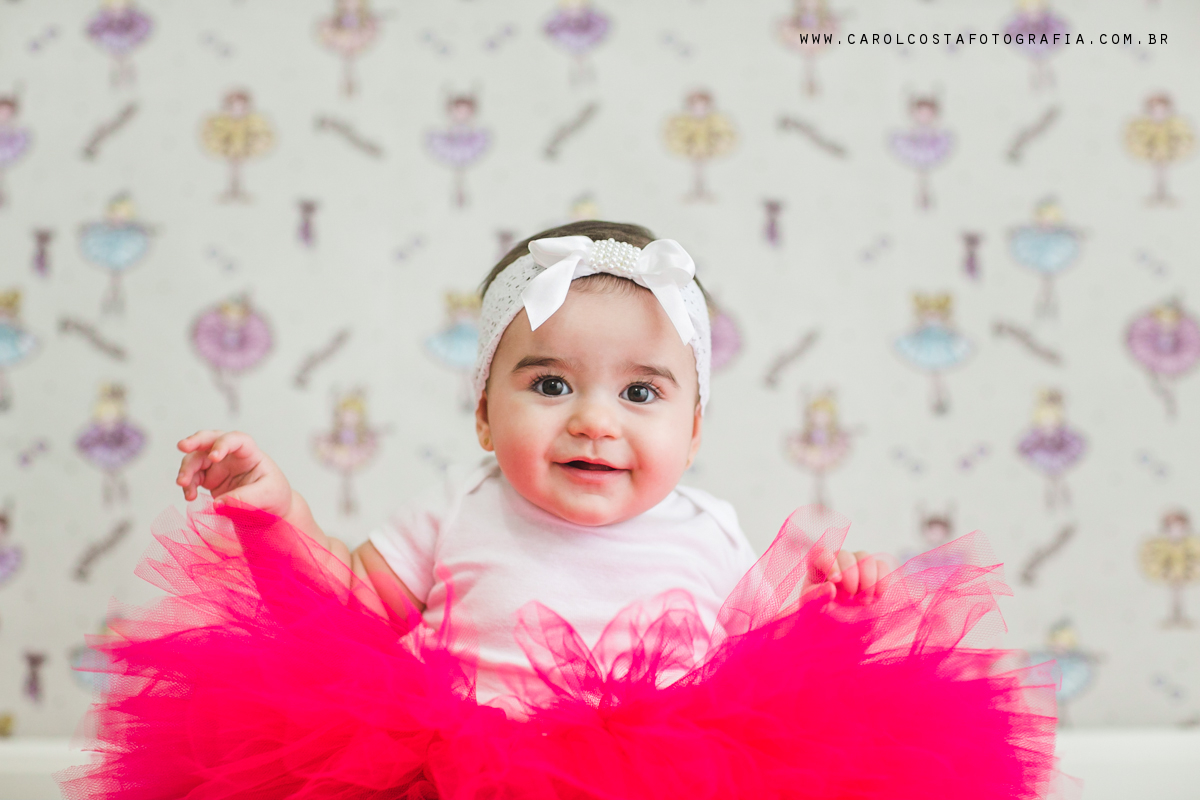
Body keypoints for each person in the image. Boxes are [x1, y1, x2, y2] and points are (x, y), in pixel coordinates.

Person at [61, 221, 1063, 800]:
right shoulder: (458, 505)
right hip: (463, 768)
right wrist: (275, 515)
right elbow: (343, 611)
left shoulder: (709, 531)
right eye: (548, 384)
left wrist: (832, 616)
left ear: (697, 425)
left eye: (640, 393)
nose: (593, 419)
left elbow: (765, 679)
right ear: (484, 412)